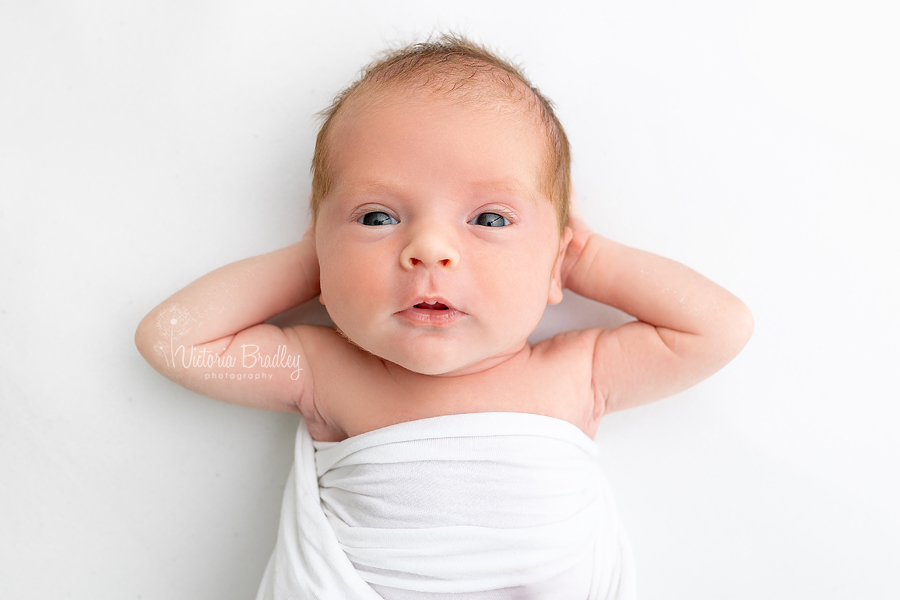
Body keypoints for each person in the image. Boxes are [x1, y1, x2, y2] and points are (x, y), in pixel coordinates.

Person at [135, 34, 753, 600]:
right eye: (376, 217)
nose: (429, 248)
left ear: (555, 261)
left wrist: (582, 258)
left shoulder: (579, 373)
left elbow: (718, 328)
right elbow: (174, 340)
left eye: (489, 219)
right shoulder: (325, 372)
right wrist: (311, 260)